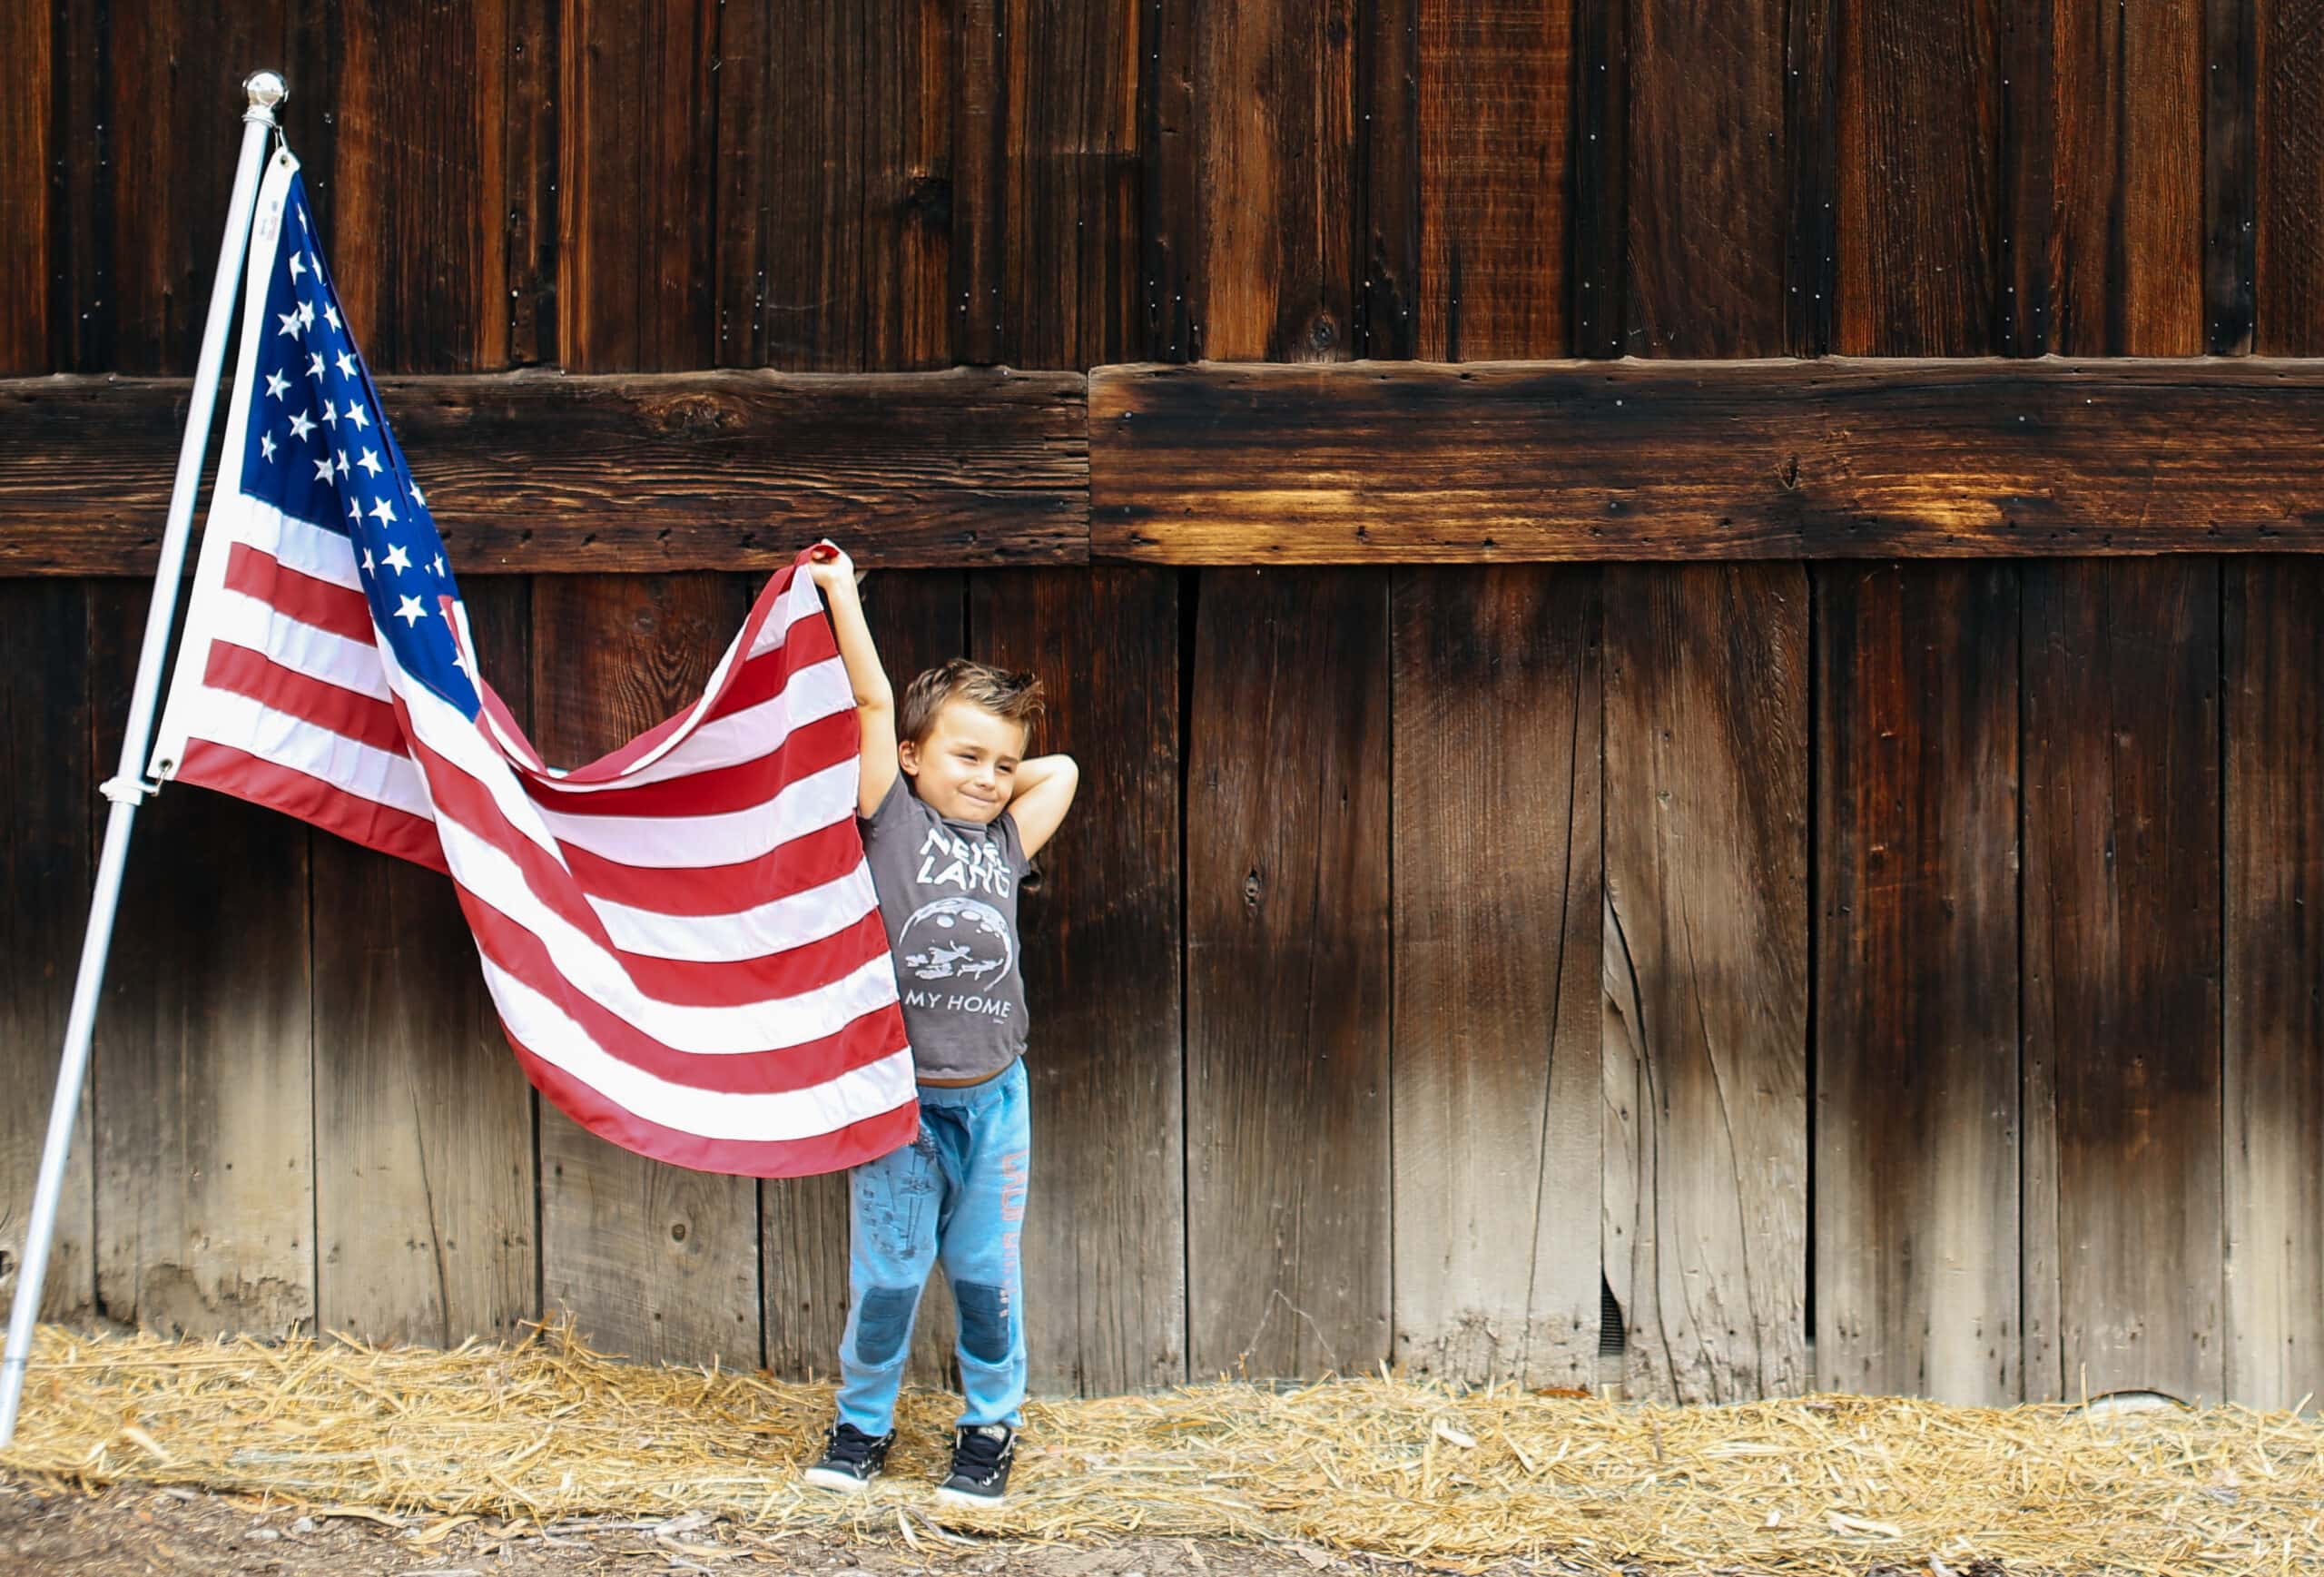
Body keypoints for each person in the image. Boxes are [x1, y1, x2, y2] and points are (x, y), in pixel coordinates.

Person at [798, 543, 1079, 1506]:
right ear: (911, 761)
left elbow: (1066, 770)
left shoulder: (1005, 840)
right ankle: (861, 1423)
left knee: (985, 1277)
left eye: (1003, 761)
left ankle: (989, 1426)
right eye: (967, 756)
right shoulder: (891, 825)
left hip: (995, 1101)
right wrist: (842, 596)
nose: (993, 777)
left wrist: (989, 771)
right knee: (887, 1279)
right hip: (899, 1108)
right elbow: (876, 706)